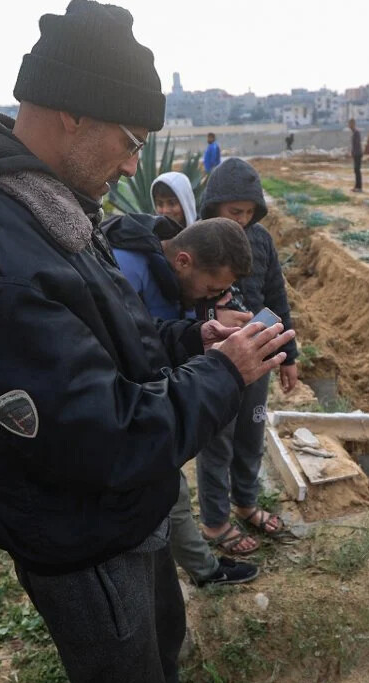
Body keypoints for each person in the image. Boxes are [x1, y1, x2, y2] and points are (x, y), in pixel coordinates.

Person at [0, 3, 294, 683]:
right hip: (84, 542)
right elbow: (100, 437)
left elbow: (106, 347)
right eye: (130, 139)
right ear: (71, 114)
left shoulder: (47, 211)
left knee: (156, 667)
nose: (135, 163)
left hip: (117, 518)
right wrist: (226, 371)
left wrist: (189, 343)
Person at [107, 214, 260, 587]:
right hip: (129, 405)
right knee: (168, 493)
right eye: (210, 288)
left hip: (153, 393)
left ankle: (199, 567)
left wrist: (202, 325)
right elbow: (123, 343)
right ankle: (203, 572)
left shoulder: (164, 269)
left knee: (169, 493)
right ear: (184, 261)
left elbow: (152, 329)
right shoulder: (126, 268)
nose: (211, 296)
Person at [196, 157, 299, 555]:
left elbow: (276, 297)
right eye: (232, 212)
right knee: (216, 442)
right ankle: (215, 522)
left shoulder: (262, 241)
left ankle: (246, 501)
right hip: (218, 361)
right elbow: (186, 301)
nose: (241, 220)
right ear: (213, 209)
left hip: (260, 358)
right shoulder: (201, 242)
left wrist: (288, 355)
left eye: (248, 213)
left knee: (251, 434)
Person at [349, 118, 364, 192]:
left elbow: (357, 145)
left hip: (358, 154)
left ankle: (359, 187)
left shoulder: (356, 132)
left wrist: (354, 152)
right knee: (356, 170)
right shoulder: (354, 133)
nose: (349, 126)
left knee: (357, 170)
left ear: (353, 124)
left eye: (350, 124)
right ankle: (356, 186)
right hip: (356, 154)